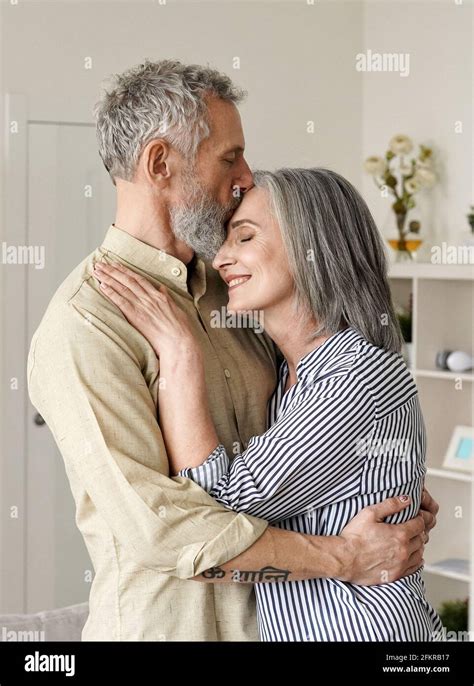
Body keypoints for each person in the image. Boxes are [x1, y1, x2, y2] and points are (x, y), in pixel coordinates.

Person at [27, 60, 437, 642]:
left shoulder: (244, 291)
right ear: (161, 163)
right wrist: (344, 557)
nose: (245, 175)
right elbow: (161, 531)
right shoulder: (84, 325)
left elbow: (329, 423)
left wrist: (388, 481)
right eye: (229, 157)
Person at [94, 167, 443, 642]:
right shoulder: (288, 376)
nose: (221, 259)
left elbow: (220, 508)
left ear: (311, 248)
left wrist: (180, 353)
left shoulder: (357, 374)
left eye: (244, 237)